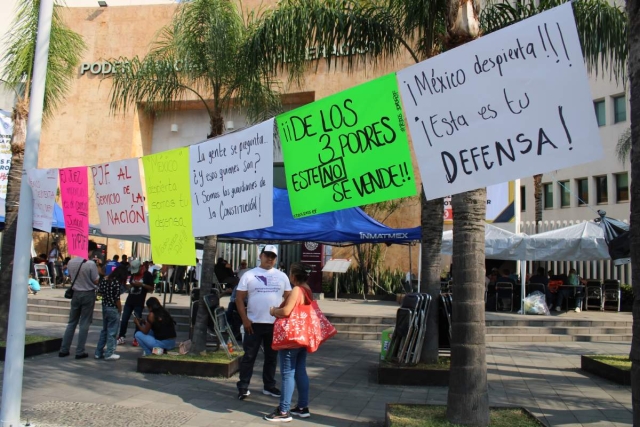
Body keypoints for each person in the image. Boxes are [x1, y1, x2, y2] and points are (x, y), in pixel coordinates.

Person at [236, 245, 292, 401]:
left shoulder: (282, 276)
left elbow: (289, 297)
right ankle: (243, 386)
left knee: (271, 357)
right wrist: (245, 319)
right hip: (253, 324)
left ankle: (269, 385)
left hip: (274, 324)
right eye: (267, 255)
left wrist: (283, 314)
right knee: (249, 356)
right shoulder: (249, 275)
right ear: (260, 256)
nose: (269, 259)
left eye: (272, 256)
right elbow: (239, 299)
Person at [264, 262, 314, 422]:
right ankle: (302, 407)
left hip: (290, 338)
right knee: (300, 371)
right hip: (302, 336)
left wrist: (273, 311)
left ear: (293, 276)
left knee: (287, 373)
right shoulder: (308, 289)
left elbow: (286, 311)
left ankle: (283, 410)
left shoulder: (297, 290)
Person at [59, 240, 100, 359]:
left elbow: (71, 277)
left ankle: (64, 349)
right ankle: (80, 350)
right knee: (84, 323)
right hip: (88, 293)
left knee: (72, 322)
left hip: (76, 293)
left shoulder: (71, 262)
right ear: (90, 250)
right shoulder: (91, 264)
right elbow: (96, 280)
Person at [117, 260, 154, 346]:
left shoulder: (147, 275)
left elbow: (151, 288)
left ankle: (136, 337)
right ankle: (121, 336)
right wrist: (130, 286)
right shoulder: (133, 275)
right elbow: (130, 283)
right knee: (124, 319)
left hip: (139, 301)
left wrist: (142, 285)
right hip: (130, 299)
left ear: (141, 267)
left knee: (137, 319)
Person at [95, 265, 126, 361]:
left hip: (105, 306)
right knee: (112, 331)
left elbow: (99, 293)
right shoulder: (116, 282)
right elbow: (117, 298)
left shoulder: (104, 280)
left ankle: (98, 352)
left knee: (104, 330)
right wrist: (120, 309)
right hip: (113, 308)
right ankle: (109, 353)